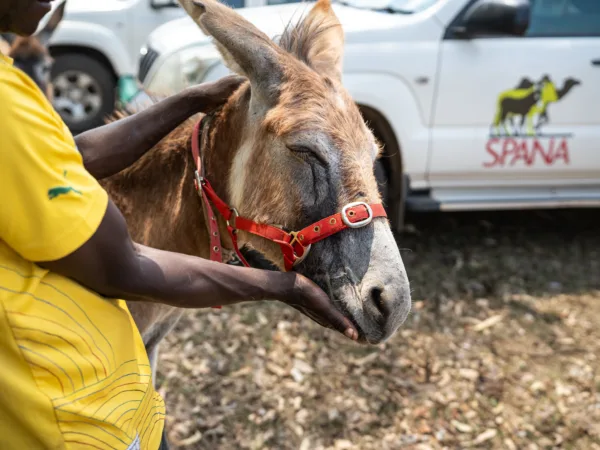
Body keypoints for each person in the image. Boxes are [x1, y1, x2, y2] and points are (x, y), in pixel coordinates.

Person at [0, 1, 358, 449]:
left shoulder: (9, 83)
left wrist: (190, 100)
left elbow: (73, 157)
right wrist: (283, 287)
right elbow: (123, 266)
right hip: (64, 418)